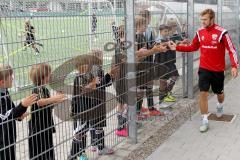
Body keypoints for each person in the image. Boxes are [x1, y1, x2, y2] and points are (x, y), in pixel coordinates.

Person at [168, 9, 239, 132]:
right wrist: (177, 47)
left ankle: (220, 105)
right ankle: (205, 120)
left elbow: (232, 50)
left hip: (217, 70)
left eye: (205, 19)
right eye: (201, 19)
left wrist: (234, 66)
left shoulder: (222, 33)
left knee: (219, 94)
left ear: (212, 19)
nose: (203, 22)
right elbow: (193, 47)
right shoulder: (200, 32)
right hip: (204, 69)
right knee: (203, 94)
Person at [68, 50, 116, 160]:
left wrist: (109, 76)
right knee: (80, 132)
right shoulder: (79, 78)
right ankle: (77, 154)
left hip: (92, 105)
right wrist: (95, 83)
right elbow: (85, 90)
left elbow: (100, 84)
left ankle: (96, 147)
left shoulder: (89, 74)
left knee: (92, 127)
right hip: (81, 109)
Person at [28, 63, 66, 160]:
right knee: (39, 153)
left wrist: (58, 100)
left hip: (46, 125)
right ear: (44, 77)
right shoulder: (36, 89)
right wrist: (55, 98)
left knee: (48, 150)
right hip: (37, 128)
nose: (52, 75)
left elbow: (48, 105)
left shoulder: (45, 89)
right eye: (50, 74)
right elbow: (40, 103)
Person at [0, 64, 37, 160]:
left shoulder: (4, 91)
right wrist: (22, 105)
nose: (13, 78)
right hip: (2, 139)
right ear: (2, 82)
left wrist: (19, 115)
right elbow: (4, 116)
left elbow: (11, 109)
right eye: (10, 77)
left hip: (8, 135)